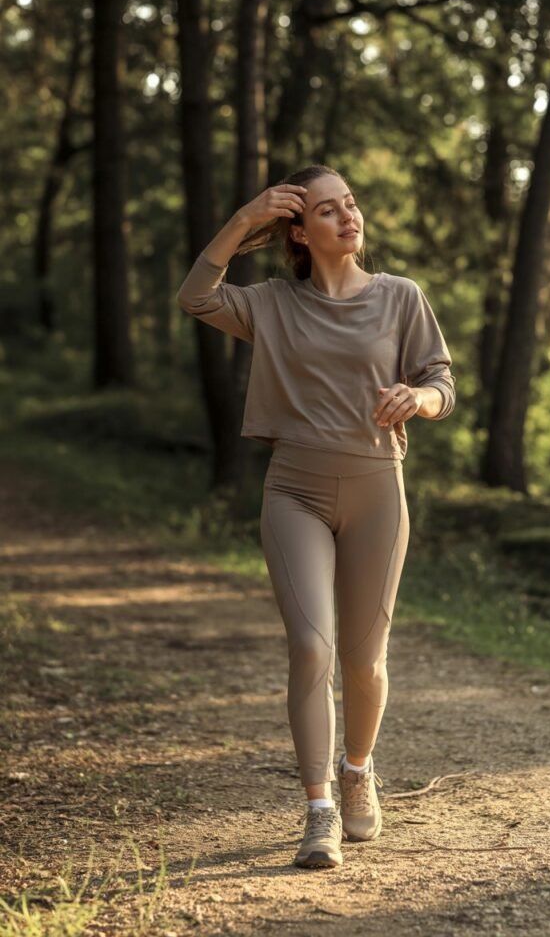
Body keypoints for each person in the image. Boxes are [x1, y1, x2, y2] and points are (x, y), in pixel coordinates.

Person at [176, 164, 456, 869]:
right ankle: (319, 809)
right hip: (293, 490)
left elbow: (442, 380)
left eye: (351, 205)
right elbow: (195, 296)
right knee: (311, 647)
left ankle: (358, 769)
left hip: (377, 491)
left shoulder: (400, 297)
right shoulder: (271, 303)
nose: (348, 217)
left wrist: (418, 401)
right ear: (298, 232)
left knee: (364, 661)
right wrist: (244, 219)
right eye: (328, 211)